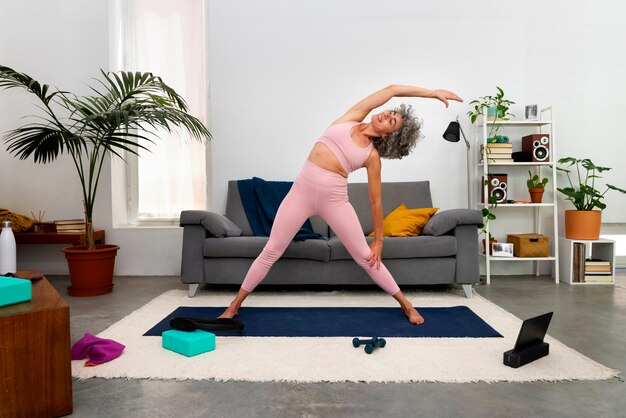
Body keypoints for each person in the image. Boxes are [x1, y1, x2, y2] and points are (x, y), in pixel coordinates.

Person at [219, 85, 463, 324]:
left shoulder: (372, 157)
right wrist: (432, 93)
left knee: (365, 257)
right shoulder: (351, 118)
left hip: (334, 202)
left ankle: (406, 305)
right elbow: (391, 90)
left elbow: (375, 200)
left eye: (392, 121)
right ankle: (234, 306)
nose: (387, 114)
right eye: (390, 113)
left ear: (389, 135)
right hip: (300, 195)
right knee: (272, 249)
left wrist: (379, 240)